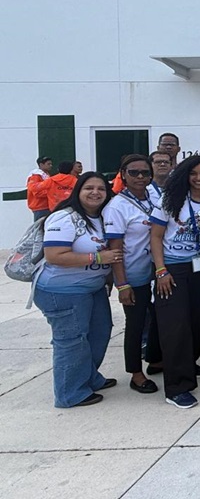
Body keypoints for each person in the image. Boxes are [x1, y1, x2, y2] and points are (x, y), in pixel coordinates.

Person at [33, 172, 123, 407]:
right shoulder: (64, 217)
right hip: (63, 291)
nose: (95, 193)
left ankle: (89, 377)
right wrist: (98, 258)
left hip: (93, 288)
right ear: (78, 191)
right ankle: (70, 393)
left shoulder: (102, 217)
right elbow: (54, 255)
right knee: (72, 341)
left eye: (101, 189)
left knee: (100, 332)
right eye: (89, 188)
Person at [149, 155, 200, 409]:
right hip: (173, 268)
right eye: (193, 173)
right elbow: (155, 237)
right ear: (184, 175)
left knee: (194, 321)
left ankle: (188, 365)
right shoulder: (170, 200)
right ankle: (177, 387)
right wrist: (161, 271)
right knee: (175, 326)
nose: (199, 178)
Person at [104, 155, 159, 394]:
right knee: (136, 324)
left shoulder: (153, 197)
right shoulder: (117, 206)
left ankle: (156, 359)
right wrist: (122, 284)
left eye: (145, 172)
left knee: (158, 319)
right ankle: (136, 374)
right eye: (134, 172)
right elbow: (115, 248)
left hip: (156, 269)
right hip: (133, 274)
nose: (140, 177)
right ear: (123, 175)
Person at [26, 156, 53, 220]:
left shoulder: (45, 175)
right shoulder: (36, 176)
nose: (51, 166)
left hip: (45, 205)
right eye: (48, 164)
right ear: (41, 165)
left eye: (51, 164)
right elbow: (37, 192)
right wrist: (51, 192)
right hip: (40, 206)